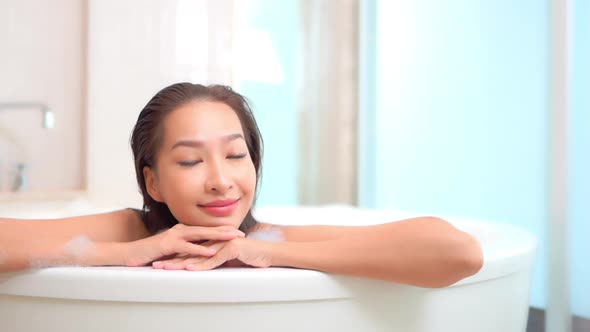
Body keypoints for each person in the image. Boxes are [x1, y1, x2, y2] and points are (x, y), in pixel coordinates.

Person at [0, 83, 483, 288]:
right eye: (190, 160)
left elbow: (459, 253)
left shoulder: (268, 238)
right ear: (154, 181)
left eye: (236, 155)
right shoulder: (129, 230)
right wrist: (128, 253)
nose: (221, 181)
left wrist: (268, 254)